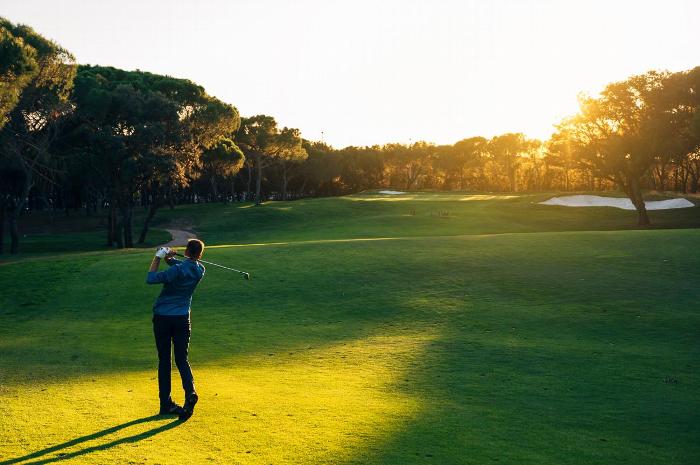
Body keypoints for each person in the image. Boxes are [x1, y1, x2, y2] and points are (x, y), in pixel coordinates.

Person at [146, 239, 206, 420]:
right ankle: (190, 392)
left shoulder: (176, 270)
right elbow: (184, 266)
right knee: (182, 359)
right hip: (182, 319)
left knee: (165, 360)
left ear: (187, 251)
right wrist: (170, 258)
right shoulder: (200, 270)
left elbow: (150, 278)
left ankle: (166, 404)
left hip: (163, 318)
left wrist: (158, 257)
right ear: (199, 255)